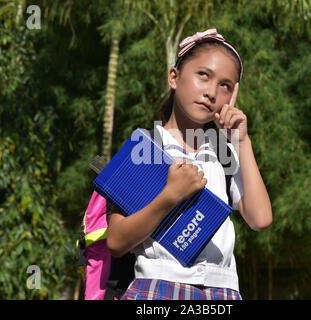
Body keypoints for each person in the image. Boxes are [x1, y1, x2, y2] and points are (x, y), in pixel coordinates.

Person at [106, 28, 273, 300]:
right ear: (174, 77)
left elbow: (261, 219)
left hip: (223, 292)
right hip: (157, 288)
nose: (211, 92)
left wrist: (242, 141)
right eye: (203, 75)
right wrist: (171, 196)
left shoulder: (226, 152)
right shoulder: (145, 148)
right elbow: (116, 241)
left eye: (225, 86)